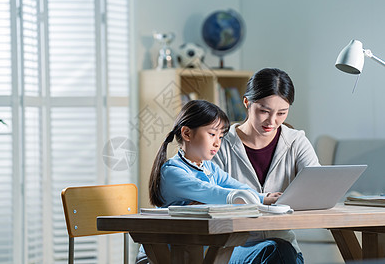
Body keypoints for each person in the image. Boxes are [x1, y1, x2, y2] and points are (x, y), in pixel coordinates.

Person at [136, 99, 283, 264]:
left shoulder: (208, 167)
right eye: (212, 134)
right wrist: (237, 199)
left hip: (204, 252)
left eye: (220, 136)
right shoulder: (172, 172)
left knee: (277, 248)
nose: (217, 142)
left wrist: (264, 197)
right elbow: (211, 192)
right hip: (165, 257)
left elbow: (235, 186)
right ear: (187, 133)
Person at [213, 67, 321, 263]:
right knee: (277, 251)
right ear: (247, 102)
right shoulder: (221, 144)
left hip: (285, 248)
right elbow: (209, 198)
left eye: (282, 113)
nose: (272, 121)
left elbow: (318, 187)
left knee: (280, 250)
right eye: (264, 111)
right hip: (233, 247)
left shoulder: (296, 142)